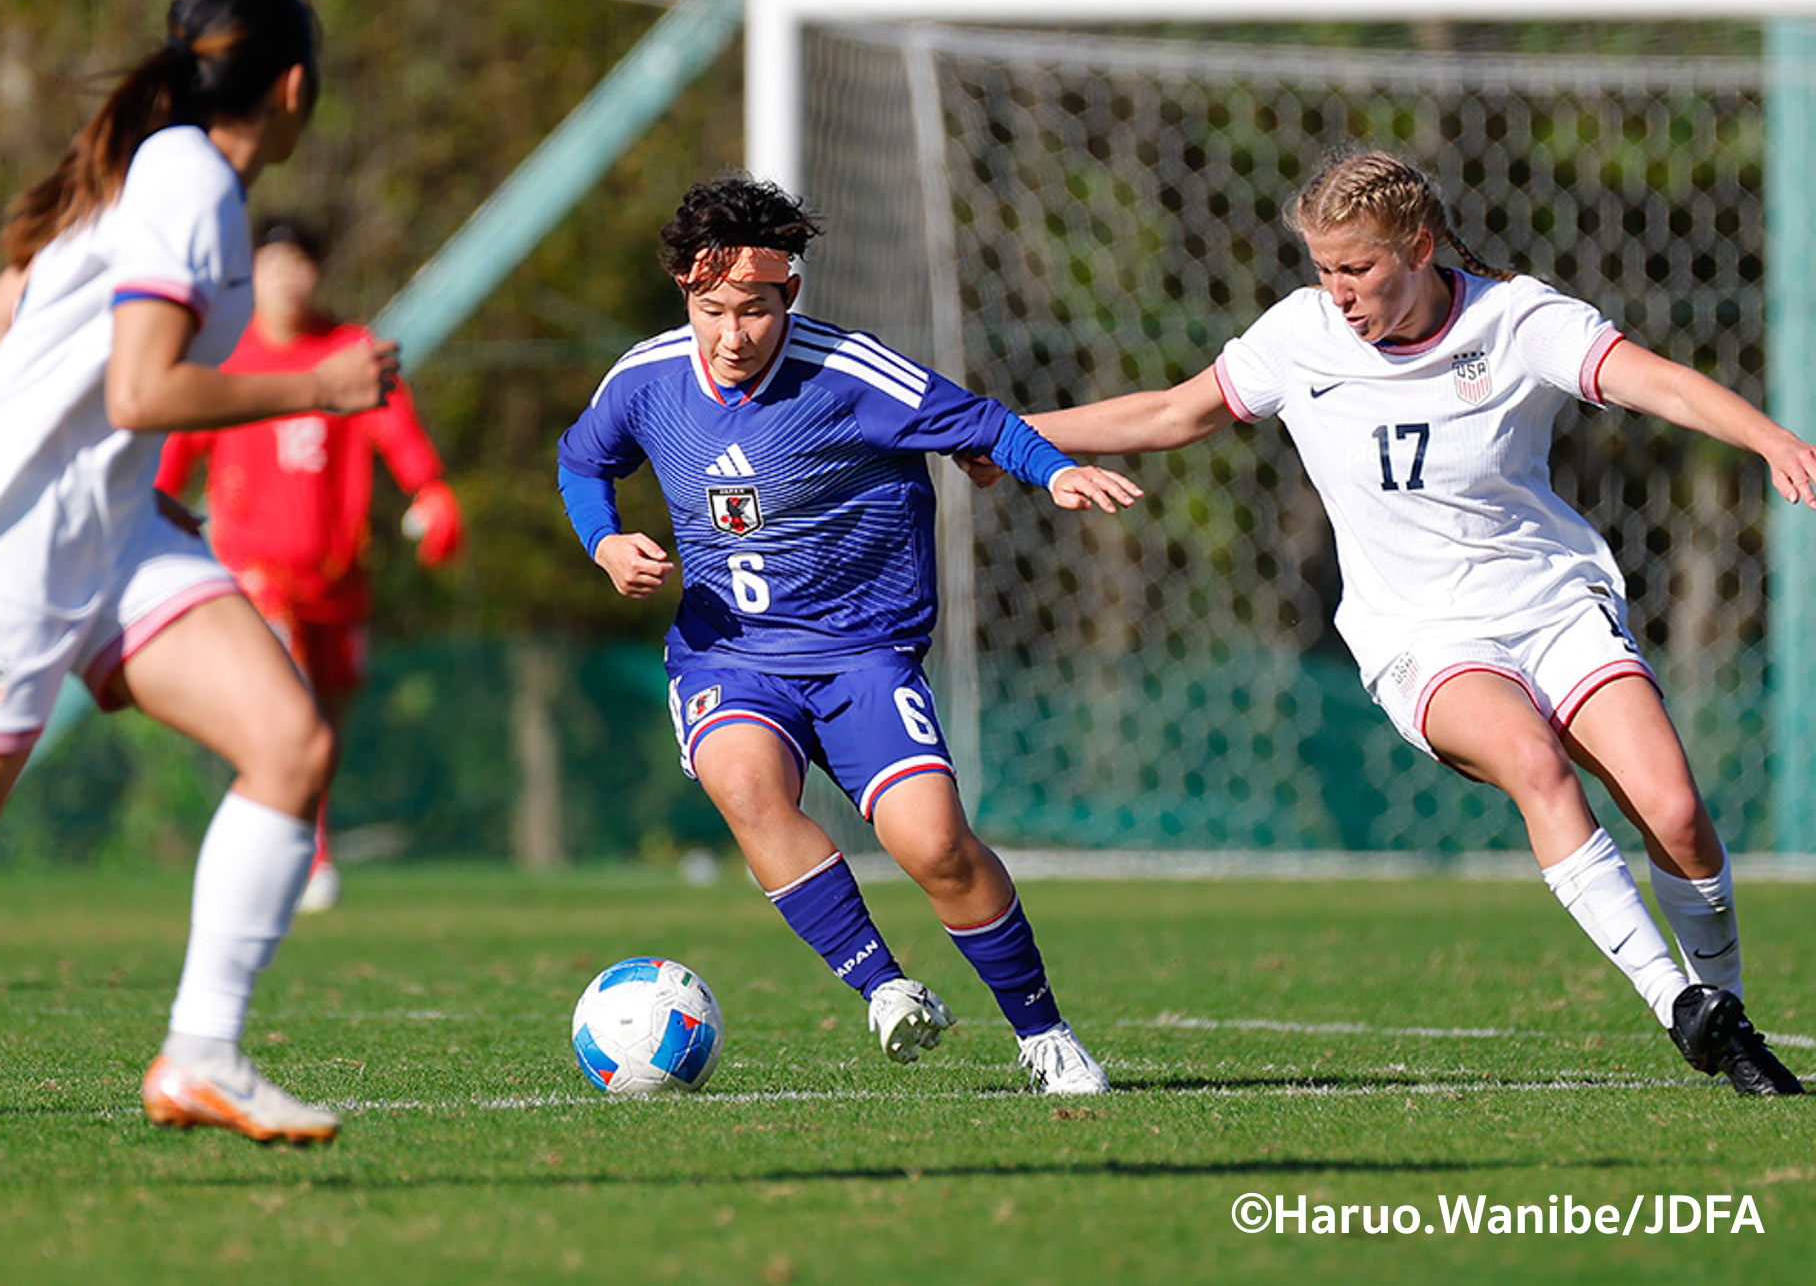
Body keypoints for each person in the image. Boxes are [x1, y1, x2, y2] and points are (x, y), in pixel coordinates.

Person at [1007, 147, 1812, 1095]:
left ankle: (1729, 1022)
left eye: (1358, 268)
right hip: (1420, 633)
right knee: (1534, 765)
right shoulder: (1299, 337)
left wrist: (1771, 438)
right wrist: (1012, 429)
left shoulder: (1518, 320)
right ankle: (1675, 1001)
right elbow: (1172, 411)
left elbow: (1660, 382)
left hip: (1551, 603)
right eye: (1323, 269)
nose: (1338, 292)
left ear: (1421, 247)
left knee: (1675, 811)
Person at [0, 0, 398, 1143]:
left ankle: (201, 1057)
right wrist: (316, 382)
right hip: (1, 560)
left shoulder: (144, 165)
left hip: (103, 539)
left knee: (289, 742)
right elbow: (141, 386)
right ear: (294, 87)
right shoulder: (192, 183)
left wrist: (102, 480)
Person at [556, 176, 1142, 1094]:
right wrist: (604, 542)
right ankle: (883, 987)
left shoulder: (851, 372)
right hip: (727, 654)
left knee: (937, 846)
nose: (733, 333)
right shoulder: (645, 378)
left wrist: (1054, 472)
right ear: (684, 290)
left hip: (859, 654)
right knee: (745, 785)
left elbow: (980, 424)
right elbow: (582, 457)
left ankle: (1044, 1035)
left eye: (755, 308)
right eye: (713, 309)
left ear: (788, 291)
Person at [156, 217, 462, 913]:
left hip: (338, 577)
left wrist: (431, 489)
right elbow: (177, 447)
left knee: (326, 723)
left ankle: (285, 839)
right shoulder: (228, 355)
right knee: (287, 706)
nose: (287, 277)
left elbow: (394, 426)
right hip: (255, 570)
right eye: (273, 262)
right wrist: (151, 502)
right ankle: (303, 855)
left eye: (300, 261)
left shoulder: (349, 351)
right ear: (251, 272)